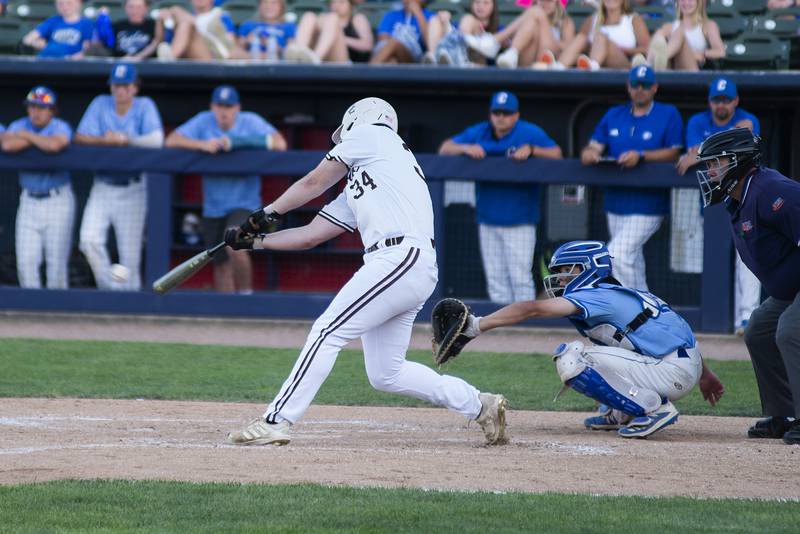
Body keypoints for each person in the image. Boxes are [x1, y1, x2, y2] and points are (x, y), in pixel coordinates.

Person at [224, 97, 508, 447]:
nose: (341, 141)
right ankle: (480, 404)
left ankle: (276, 420)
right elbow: (311, 235)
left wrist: (265, 212)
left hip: (400, 256)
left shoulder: (375, 133)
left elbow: (313, 182)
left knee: (327, 330)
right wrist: (256, 242)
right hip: (400, 264)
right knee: (387, 373)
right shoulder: (368, 176)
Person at [445, 240, 725, 438]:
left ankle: (654, 409)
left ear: (586, 269)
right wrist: (704, 375)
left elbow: (531, 309)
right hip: (678, 367)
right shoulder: (618, 294)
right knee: (594, 354)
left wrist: (476, 326)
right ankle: (623, 413)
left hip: (668, 371)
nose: (560, 278)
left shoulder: (596, 295)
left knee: (574, 357)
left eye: (566, 271)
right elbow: (678, 333)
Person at [695, 127, 800, 445]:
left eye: (716, 163)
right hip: (790, 288)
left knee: (790, 331)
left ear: (738, 161)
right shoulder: (740, 197)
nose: (710, 171)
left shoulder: (773, 190)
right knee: (758, 329)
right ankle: (782, 414)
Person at [439, 91, 563, 304]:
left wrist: (532, 150)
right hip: (487, 219)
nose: (501, 117)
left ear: (515, 115)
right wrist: (467, 147)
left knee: (520, 278)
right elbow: (444, 149)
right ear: (491, 114)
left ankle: (524, 326)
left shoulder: (528, 132)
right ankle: (502, 329)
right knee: (496, 280)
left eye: (506, 113)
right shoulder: (480, 132)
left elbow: (557, 154)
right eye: (497, 112)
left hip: (520, 221)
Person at [165, 85, 288, 293]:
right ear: (213, 107)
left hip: (244, 203)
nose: (224, 111)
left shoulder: (250, 121)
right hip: (213, 206)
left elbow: (280, 143)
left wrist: (236, 142)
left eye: (229, 106)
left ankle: (245, 297)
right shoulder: (204, 121)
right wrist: (201, 145)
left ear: (237, 108)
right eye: (220, 106)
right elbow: (171, 140)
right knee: (219, 261)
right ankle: (228, 308)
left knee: (235, 244)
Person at [580, 65, 683, 291]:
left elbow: (674, 151)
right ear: (628, 86)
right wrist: (591, 152)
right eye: (635, 85)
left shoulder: (668, 113)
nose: (640, 90)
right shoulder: (614, 114)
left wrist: (642, 156)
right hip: (615, 202)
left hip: (649, 205)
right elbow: (595, 145)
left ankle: (634, 310)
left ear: (654, 88)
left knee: (616, 255)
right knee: (631, 259)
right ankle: (648, 310)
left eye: (645, 86)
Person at [677, 78, 761, 335]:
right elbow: (694, 152)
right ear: (710, 102)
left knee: (746, 258)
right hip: (711, 206)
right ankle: (719, 320)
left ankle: (748, 319)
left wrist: (703, 151)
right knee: (709, 259)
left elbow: (746, 148)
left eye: (726, 100)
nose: (721, 105)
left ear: (735, 101)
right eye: (717, 100)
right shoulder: (697, 121)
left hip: (742, 199)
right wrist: (733, 134)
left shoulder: (749, 118)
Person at [74, 63, 163, 291]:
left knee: (129, 255)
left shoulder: (144, 105)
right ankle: (110, 291)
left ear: (134, 87)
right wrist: (106, 140)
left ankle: (132, 309)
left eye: (125, 86)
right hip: (103, 186)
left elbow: (156, 140)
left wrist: (126, 139)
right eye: (116, 85)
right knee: (89, 241)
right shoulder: (100, 103)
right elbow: (81, 137)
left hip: (133, 188)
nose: (120, 90)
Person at [2, 87, 74, 289]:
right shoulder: (19, 124)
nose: (37, 112)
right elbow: (7, 145)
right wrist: (32, 138)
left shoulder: (60, 126)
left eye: (42, 107)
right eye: (33, 107)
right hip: (29, 201)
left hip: (58, 199)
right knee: (26, 262)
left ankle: (59, 315)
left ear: (52, 110)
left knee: (56, 264)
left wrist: (26, 137)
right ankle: (31, 313)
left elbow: (55, 145)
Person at [556, 0, 650, 70]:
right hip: (591, 57)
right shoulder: (592, 19)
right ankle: (558, 67)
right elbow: (579, 44)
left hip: (622, 64)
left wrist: (625, 50)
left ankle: (593, 66)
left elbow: (646, 49)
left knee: (601, 36)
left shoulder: (633, 19)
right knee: (582, 37)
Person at [284, 0, 373, 64]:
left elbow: (367, 45)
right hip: (323, 59)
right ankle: (298, 54)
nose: (337, 5)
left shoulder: (358, 19)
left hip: (346, 62)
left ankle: (316, 58)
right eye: (333, 2)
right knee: (309, 16)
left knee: (333, 18)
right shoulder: (324, 17)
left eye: (341, 2)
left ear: (350, 4)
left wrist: (340, 38)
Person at [494, 0, 577, 69]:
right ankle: (511, 52)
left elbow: (569, 48)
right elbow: (517, 39)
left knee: (537, 11)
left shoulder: (565, 22)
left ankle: (497, 41)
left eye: (549, 1)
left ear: (557, 2)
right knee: (534, 19)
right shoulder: (530, 17)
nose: (545, 4)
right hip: (526, 61)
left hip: (549, 62)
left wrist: (551, 39)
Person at [647, 0, 724, 71]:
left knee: (679, 33)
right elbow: (654, 44)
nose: (686, 3)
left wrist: (701, 54)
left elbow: (720, 52)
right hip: (671, 69)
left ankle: (654, 62)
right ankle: (649, 63)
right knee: (659, 37)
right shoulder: (669, 27)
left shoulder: (708, 25)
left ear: (698, 2)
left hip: (694, 73)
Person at [156, 0, 247, 60]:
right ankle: (170, 58)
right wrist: (160, 20)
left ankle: (170, 58)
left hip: (213, 55)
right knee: (185, 24)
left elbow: (230, 45)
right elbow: (163, 42)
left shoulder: (220, 16)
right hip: (188, 54)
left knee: (183, 20)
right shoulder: (185, 20)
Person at [22, 0, 94, 59]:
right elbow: (27, 39)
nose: (64, 7)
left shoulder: (86, 24)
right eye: (60, 4)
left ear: (78, 3)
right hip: (48, 60)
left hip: (70, 63)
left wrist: (74, 57)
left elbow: (86, 48)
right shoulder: (53, 21)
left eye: (69, 3)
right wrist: (38, 43)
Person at [370, 0, 433, 64]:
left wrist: (418, 13)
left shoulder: (429, 16)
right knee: (392, 61)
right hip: (389, 53)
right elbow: (382, 38)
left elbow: (429, 43)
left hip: (413, 57)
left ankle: (369, 71)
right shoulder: (391, 15)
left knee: (393, 43)